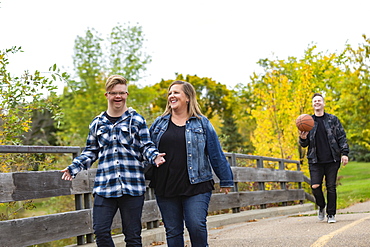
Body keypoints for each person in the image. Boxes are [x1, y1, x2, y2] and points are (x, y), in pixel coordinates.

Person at [60, 75, 166, 247]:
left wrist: (154, 156)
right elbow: (91, 151)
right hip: (105, 187)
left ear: (126, 94)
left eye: (122, 93)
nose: (118, 96)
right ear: (107, 95)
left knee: (132, 236)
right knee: (100, 232)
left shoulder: (137, 120)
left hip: (132, 187)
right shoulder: (97, 123)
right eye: (114, 93)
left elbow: (146, 145)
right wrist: (74, 167)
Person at [148, 80, 234, 247]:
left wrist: (226, 179)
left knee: (196, 225)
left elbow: (215, 153)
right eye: (170, 93)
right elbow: (146, 149)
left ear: (187, 97)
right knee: (173, 231)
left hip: (197, 184)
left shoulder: (202, 123)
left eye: (176, 92)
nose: (171, 96)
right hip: (166, 185)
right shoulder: (159, 123)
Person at [299, 93, 349, 224]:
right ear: (312, 104)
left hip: (332, 159)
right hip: (315, 160)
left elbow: (341, 137)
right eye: (314, 101)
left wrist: (344, 153)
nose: (317, 102)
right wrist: (302, 138)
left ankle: (331, 214)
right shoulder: (308, 121)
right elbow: (304, 144)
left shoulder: (333, 119)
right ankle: (321, 206)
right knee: (315, 186)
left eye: (319, 100)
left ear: (323, 103)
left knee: (331, 186)